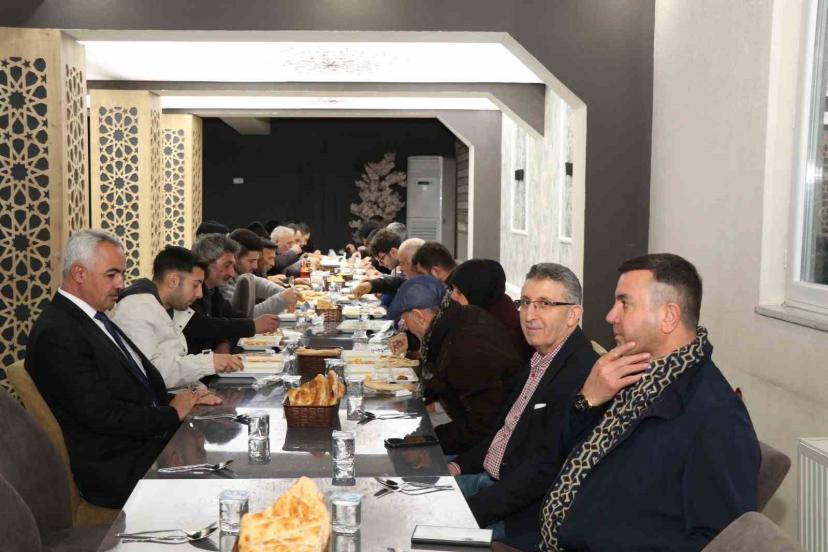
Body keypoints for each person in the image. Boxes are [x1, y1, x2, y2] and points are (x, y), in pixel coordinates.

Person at [538, 254, 760, 551]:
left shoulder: (718, 416)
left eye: (624, 303)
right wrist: (587, 402)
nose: (610, 316)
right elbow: (565, 455)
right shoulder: (630, 371)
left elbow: (719, 541)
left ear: (669, 316)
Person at [25, 229, 221, 508]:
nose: (121, 283)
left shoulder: (91, 317)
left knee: (220, 457)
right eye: (111, 275)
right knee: (217, 487)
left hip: (137, 444)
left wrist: (181, 400)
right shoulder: (58, 331)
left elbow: (132, 386)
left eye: (122, 274)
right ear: (79, 273)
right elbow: (102, 415)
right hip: (116, 467)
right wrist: (170, 413)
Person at [448, 263, 597, 546]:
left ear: (573, 314)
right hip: (484, 479)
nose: (529, 315)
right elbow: (503, 431)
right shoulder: (539, 358)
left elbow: (543, 471)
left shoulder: (580, 374)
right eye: (525, 302)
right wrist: (457, 465)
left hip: (514, 513)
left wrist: (467, 514)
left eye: (545, 304)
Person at [387, 276, 523, 454]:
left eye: (406, 320)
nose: (406, 326)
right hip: (474, 420)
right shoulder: (462, 315)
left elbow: (483, 424)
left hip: (494, 445)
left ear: (419, 316)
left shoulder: (467, 348)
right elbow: (441, 366)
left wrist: (428, 441)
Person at [112, 245, 244, 389]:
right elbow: (149, 374)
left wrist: (197, 391)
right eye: (195, 285)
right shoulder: (135, 310)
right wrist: (209, 363)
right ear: (173, 281)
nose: (200, 294)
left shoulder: (171, 307)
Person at [184, 233, 279, 354]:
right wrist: (252, 326)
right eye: (227, 266)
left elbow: (234, 318)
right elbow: (200, 325)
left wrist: (224, 344)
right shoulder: (189, 293)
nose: (232, 273)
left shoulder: (214, 291)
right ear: (206, 264)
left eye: (233, 266)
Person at [448, 259, 533, 362]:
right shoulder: (480, 319)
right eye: (452, 290)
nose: (452, 297)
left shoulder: (498, 337)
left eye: (459, 292)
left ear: (478, 294)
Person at [223, 228, 298, 315]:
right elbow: (242, 317)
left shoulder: (244, 274)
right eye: (251, 261)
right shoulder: (224, 280)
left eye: (256, 260)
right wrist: (282, 299)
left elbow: (261, 284)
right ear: (235, 258)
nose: (255, 266)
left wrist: (287, 293)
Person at [352, 238, 425, 300]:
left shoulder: (426, 290)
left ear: (418, 264)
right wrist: (372, 285)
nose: (401, 269)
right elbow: (396, 282)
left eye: (403, 263)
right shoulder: (413, 280)